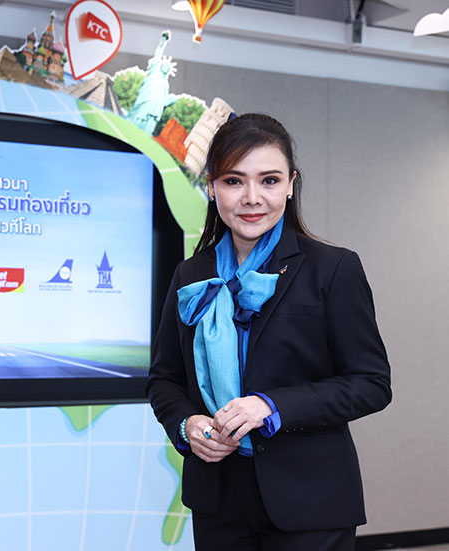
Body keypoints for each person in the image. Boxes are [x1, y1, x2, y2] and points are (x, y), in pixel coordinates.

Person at [146, 113, 391, 550]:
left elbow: (371, 384)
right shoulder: (190, 274)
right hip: (219, 500)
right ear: (211, 186)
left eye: (270, 180)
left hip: (310, 501)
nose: (252, 198)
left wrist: (270, 406)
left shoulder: (333, 269)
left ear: (291, 185)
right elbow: (164, 379)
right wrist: (187, 425)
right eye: (234, 181)